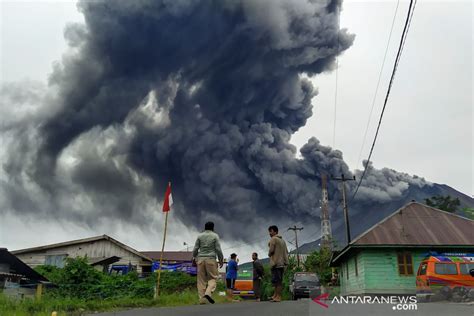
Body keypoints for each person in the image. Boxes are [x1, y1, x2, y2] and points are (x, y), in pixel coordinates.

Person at [192, 221, 224, 304]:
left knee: (201, 280)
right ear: (213, 228)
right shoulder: (215, 236)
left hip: (200, 260)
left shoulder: (200, 236)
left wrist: (194, 257)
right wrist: (221, 260)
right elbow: (218, 249)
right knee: (213, 278)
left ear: (205, 227)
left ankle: (202, 299)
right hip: (211, 259)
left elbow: (195, 249)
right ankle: (208, 293)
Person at [267, 225, 289, 302]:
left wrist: (269, 254)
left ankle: (278, 297)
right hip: (282, 263)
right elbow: (286, 252)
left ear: (275, 232)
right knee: (278, 280)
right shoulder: (283, 241)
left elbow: (271, 251)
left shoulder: (273, 239)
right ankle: (275, 295)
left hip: (276, 263)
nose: (269, 233)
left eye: (271, 231)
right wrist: (286, 263)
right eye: (269, 231)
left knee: (277, 282)